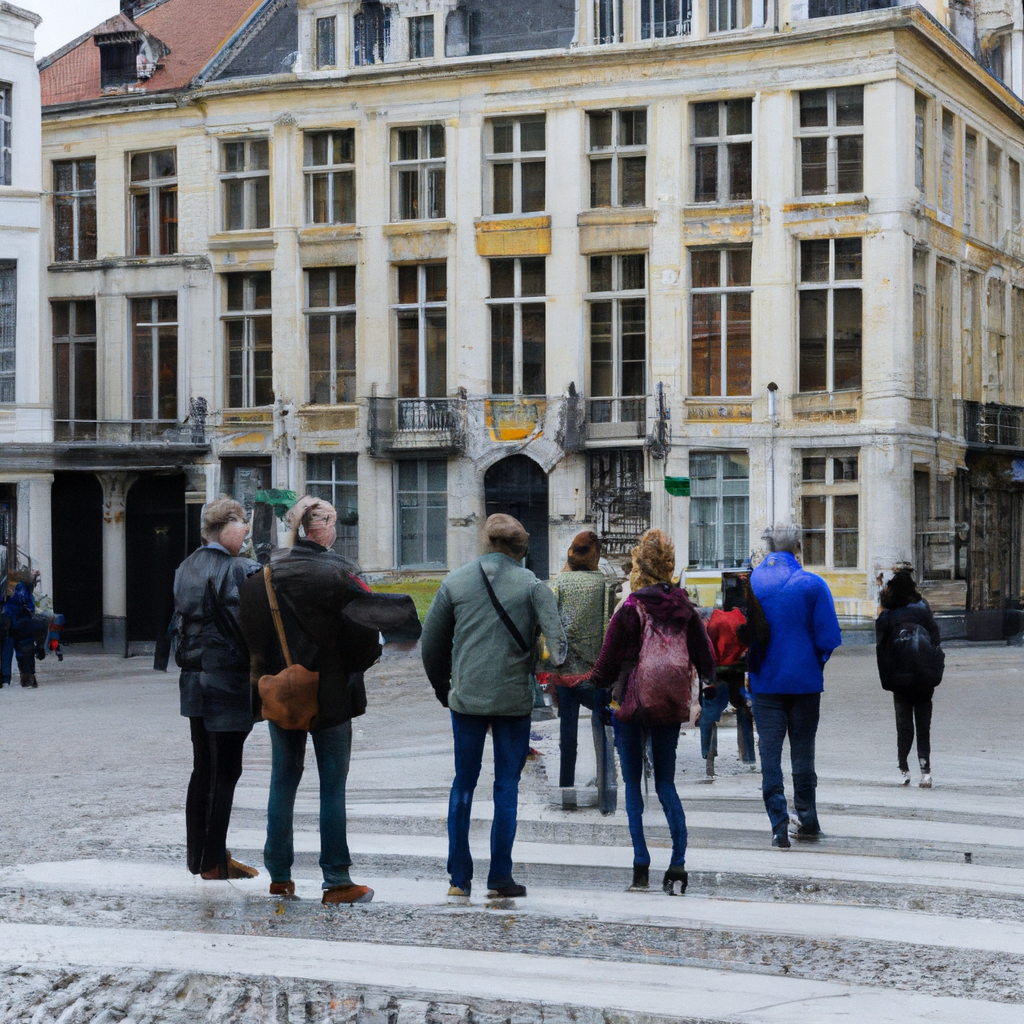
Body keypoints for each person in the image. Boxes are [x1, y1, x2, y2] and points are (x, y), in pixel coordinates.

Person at [239, 496, 419, 905]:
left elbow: (251, 638)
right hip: (332, 693)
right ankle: (336, 879)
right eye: (333, 523)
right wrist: (356, 663)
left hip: (282, 691)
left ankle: (279, 875)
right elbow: (364, 634)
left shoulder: (259, 578)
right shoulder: (339, 573)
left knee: (282, 780)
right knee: (332, 787)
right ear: (324, 528)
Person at [421, 513, 567, 900]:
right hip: (513, 701)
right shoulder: (533, 586)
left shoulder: (455, 582)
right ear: (522, 548)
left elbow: (431, 645)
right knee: (506, 786)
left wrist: (443, 687)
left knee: (463, 783)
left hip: (466, 698)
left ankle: (458, 878)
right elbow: (559, 650)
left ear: (485, 542)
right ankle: (500, 875)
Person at [589, 529, 716, 895]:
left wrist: (589, 683)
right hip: (669, 705)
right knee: (666, 784)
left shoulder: (631, 608)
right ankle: (678, 862)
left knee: (633, 785)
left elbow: (607, 664)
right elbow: (707, 661)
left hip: (631, 705)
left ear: (639, 568)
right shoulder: (684, 609)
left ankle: (641, 864)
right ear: (669, 569)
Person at [172, 499, 261, 880]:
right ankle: (212, 860)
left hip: (194, 679)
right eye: (242, 524)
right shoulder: (240, 568)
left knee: (204, 769)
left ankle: (202, 857)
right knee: (225, 770)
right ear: (224, 527)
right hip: (228, 680)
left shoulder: (185, 567)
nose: (246, 531)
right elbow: (255, 624)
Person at [749, 524, 842, 848]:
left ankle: (778, 825)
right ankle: (807, 818)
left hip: (764, 683)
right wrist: (815, 661)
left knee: (769, 754)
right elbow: (829, 637)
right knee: (803, 752)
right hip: (805, 683)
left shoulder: (751, 582)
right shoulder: (812, 584)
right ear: (797, 548)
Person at [545, 531, 617, 813]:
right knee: (602, 728)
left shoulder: (559, 581)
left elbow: (552, 625)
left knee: (568, 736)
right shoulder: (602, 582)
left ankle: (566, 790)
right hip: (593, 672)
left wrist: (555, 663)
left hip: (565, 672)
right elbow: (606, 626)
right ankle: (605, 783)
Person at [875, 566, 943, 788]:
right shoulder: (922, 610)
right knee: (923, 725)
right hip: (923, 677)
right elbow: (936, 639)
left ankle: (904, 769)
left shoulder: (887, 616)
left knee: (904, 725)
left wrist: (888, 677)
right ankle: (926, 770)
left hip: (900, 679)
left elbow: (881, 649)